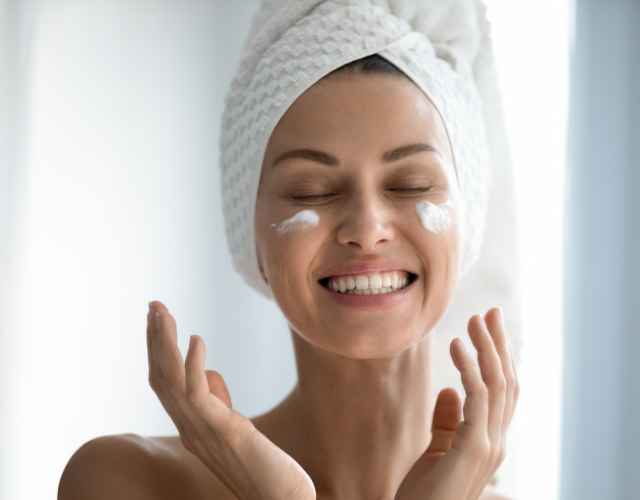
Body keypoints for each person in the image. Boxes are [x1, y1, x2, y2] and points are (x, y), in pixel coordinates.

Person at [59, 1, 520, 499]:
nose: (367, 228)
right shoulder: (128, 481)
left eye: (411, 184)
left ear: (467, 218)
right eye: (312, 192)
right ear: (247, 231)